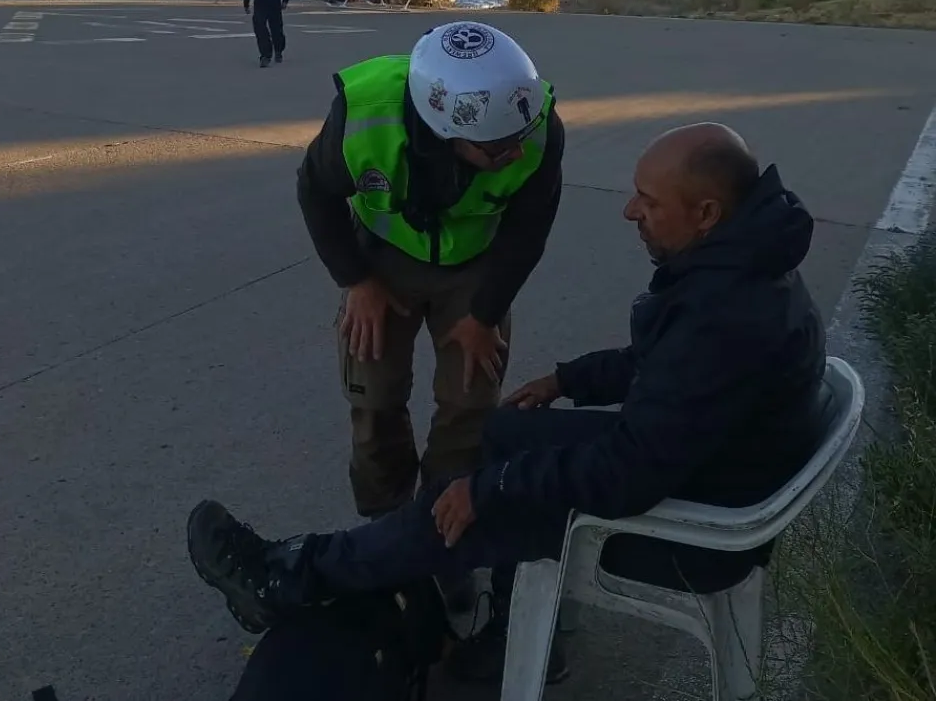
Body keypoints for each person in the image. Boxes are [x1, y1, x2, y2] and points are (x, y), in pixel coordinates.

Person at [188, 122, 831, 687]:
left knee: (459, 507)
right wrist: (566, 377)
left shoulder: (725, 316)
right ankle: (511, 627)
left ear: (707, 213)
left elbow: (627, 473)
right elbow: (662, 369)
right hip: (708, 470)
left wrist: (489, 492)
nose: (629, 211)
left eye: (649, 201)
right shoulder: (746, 264)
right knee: (501, 434)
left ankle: (285, 578)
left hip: (692, 530)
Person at [295, 20, 565, 611]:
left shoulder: (532, 123)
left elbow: (528, 229)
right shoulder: (364, 113)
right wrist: (356, 281)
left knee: (471, 404)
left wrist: (484, 313)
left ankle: (444, 538)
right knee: (374, 398)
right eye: (498, 148)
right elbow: (315, 191)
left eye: (520, 136)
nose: (518, 151)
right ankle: (389, 536)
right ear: (446, 130)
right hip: (382, 261)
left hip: (478, 267)